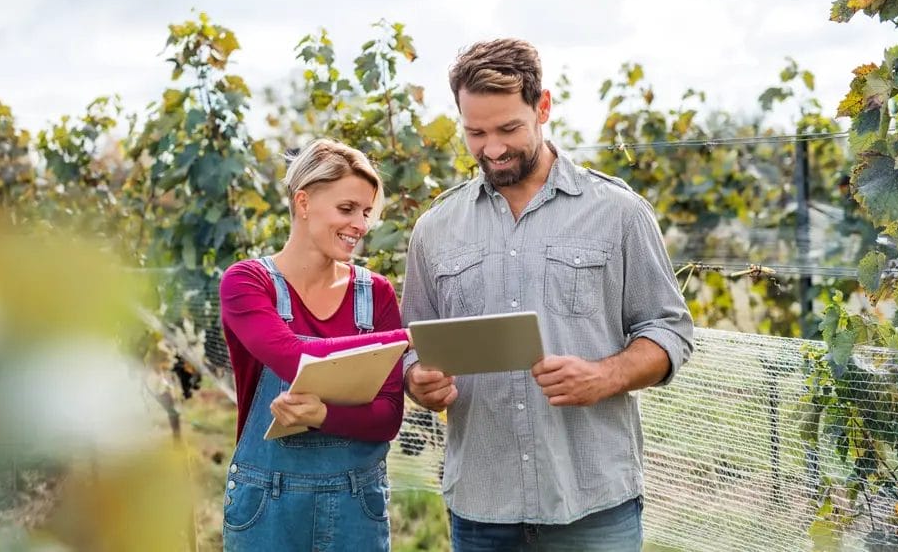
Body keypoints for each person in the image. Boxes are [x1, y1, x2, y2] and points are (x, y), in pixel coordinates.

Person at [400, 39, 694, 551]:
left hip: (591, 506)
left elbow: (668, 329)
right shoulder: (434, 230)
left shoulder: (619, 213)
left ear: (543, 108)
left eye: (508, 128)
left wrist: (606, 375)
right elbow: (410, 345)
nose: (491, 148)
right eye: (475, 133)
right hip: (481, 506)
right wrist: (416, 381)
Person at [219, 138, 409, 551]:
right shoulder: (247, 283)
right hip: (267, 503)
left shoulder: (374, 294)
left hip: (356, 503)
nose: (360, 224)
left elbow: (389, 417)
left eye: (365, 212)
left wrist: (323, 413)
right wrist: (403, 339)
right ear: (303, 203)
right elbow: (296, 359)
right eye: (347, 209)